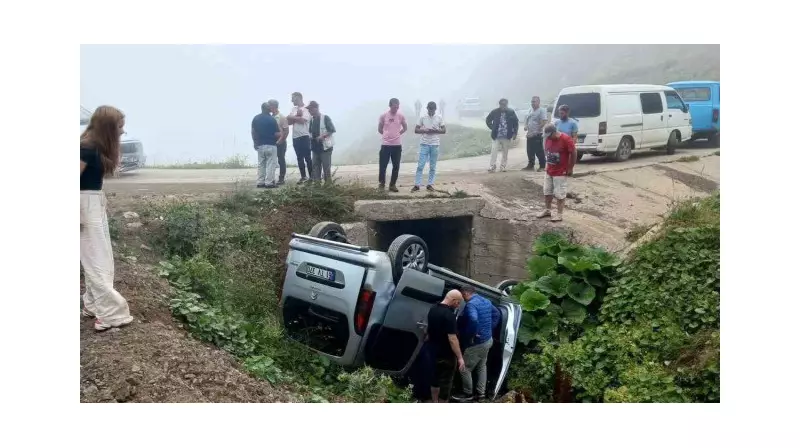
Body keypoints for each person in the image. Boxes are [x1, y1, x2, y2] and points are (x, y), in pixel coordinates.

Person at [80, 105, 135, 332]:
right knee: (97, 260)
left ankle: (93, 304)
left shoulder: (93, 146)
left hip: (90, 203)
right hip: (83, 206)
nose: (122, 131)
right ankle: (112, 313)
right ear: (107, 128)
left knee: (97, 258)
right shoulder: (85, 148)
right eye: (119, 127)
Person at [452, 285, 500, 402]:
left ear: (466, 293)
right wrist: (489, 329)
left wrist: (471, 335)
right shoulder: (486, 301)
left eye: (462, 296)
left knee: (465, 368)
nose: (462, 299)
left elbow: (473, 319)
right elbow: (497, 314)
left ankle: (467, 394)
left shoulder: (471, 305)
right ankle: (481, 394)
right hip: (488, 340)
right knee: (481, 366)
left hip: (477, 344)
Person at [424, 289, 466, 403]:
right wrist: (460, 358)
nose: (458, 306)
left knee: (434, 379)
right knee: (445, 383)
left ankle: (434, 401)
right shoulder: (449, 315)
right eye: (458, 303)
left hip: (432, 351)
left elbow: (428, 329)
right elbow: (452, 339)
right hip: (445, 355)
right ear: (453, 300)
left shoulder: (433, 309)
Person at [537, 123, 577, 222]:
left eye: (549, 136)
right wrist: (547, 165)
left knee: (560, 193)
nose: (547, 138)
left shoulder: (566, 139)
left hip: (560, 172)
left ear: (554, 132)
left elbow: (574, 152)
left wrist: (570, 168)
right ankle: (547, 210)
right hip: (549, 170)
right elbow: (547, 152)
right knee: (547, 191)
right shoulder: (548, 139)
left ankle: (559, 214)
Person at [412, 101, 446, 192]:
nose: (431, 112)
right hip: (424, 143)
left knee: (433, 166)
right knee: (420, 165)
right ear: (427, 109)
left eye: (432, 110)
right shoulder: (423, 117)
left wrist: (436, 131)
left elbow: (444, 130)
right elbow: (416, 130)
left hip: (435, 144)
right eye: (429, 110)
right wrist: (425, 130)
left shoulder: (439, 117)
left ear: (435, 109)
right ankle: (417, 184)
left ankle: (430, 184)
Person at [378, 98, 407, 192]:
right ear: (390, 106)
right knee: (383, 166)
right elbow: (380, 129)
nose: (396, 108)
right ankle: (382, 184)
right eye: (394, 107)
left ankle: (392, 185)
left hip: (397, 145)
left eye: (397, 107)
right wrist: (386, 136)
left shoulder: (400, 116)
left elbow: (405, 127)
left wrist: (398, 134)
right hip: (386, 145)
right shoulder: (383, 116)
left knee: (396, 166)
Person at [252, 102, 281, 188]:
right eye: (269, 107)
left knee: (261, 164)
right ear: (268, 109)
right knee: (271, 164)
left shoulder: (256, 118)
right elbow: (277, 133)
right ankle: (269, 182)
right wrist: (280, 136)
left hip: (260, 145)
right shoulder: (272, 119)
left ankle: (260, 182)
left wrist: (255, 142)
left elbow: (253, 132)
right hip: (271, 144)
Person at [485, 98, 519, 173]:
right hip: (496, 135)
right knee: (494, 151)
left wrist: (515, 133)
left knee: (505, 152)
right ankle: (492, 165)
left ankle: (503, 166)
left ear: (507, 105)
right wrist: (492, 127)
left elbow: (516, 123)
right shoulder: (495, 112)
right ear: (499, 105)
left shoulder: (511, 112)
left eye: (505, 104)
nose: (503, 106)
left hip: (506, 135)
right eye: (502, 104)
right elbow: (488, 120)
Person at [287, 92, 313, 184]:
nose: (291, 100)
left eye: (293, 98)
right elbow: (288, 121)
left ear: (298, 98)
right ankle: (303, 177)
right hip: (295, 137)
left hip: (304, 136)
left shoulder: (306, 109)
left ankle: (312, 177)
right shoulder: (293, 109)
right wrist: (297, 116)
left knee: (307, 157)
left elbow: (302, 121)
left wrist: (292, 117)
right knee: (299, 158)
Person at [307, 101, 336, 184]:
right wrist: (310, 136)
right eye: (309, 109)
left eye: (310, 109)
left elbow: (332, 130)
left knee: (326, 167)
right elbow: (310, 131)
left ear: (316, 108)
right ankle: (317, 185)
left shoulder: (325, 118)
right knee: (315, 167)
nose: (309, 111)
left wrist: (322, 136)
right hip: (315, 148)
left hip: (325, 147)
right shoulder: (311, 120)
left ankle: (328, 185)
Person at [523, 96, 549, 171]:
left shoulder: (541, 110)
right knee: (530, 151)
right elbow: (527, 119)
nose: (532, 103)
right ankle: (531, 165)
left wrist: (535, 131)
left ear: (538, 102)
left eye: (534, 101)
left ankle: (542, 166)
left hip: (537, 134)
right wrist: (526, 126)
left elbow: (544, 122)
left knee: (539, 151)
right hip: (530, 134)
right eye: (532, 101)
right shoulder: (530, 110)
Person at [269, 100, 290, 185]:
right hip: (271, 142)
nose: (268, 107)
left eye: (269, 105)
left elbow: (286, 131)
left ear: (273, 106)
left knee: (281, 160)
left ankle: (281, 178)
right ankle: (271, 178)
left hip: (281, 142)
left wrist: (281, 140)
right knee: (271, 161)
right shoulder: (270, 117)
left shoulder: (282, 117)